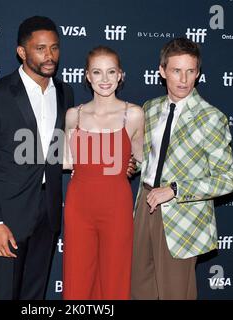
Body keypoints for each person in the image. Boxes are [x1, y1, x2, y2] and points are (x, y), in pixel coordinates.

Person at [131, 37, 233, 300]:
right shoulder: (150, 108)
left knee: (175, 294)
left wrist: (175, 190)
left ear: (198, 73)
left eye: (191, 71)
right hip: (145, 204)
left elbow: (227, 179)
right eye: (176, 70)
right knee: (138, 288)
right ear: (162, 71)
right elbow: (147, 160)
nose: (184, 79)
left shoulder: (211, 117)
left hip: (183, 214)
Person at [0, 16, 74, 300]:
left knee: (36, 293)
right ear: (22, 52)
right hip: (9, 214)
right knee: (6, 292)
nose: (49, 56)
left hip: (49, 209)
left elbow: (61, 150)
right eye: (40, 48)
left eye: (54, 48)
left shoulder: (65, 92)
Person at [63, 46, 144, 300]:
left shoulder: (133, 114)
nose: (105, 79)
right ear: (87, 76)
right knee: (77, 278)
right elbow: (65, 161)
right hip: (79, 205)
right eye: (97, 72)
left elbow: (141, 160)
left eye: (111, 72)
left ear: (121, 75)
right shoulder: (73, 115)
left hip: (116, 205)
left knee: (114, 278)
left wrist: (132, 165)